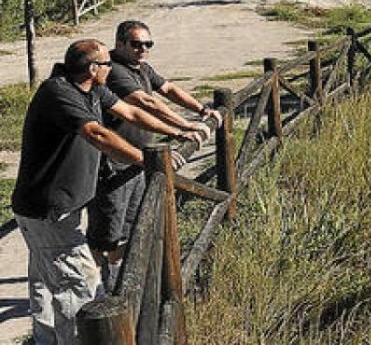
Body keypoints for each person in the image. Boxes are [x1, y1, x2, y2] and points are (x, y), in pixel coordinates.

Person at [11, 39, 203, 345]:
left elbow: (131, 112)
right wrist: (147, 160)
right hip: (48, 210)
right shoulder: (59, 92)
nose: (110, 68)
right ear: (92, 68)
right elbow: (97, 133)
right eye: (106, 64)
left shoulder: (91, 88)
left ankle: (47, 341)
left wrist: (178, 131)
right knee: (80, 289)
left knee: (46, 287)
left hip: (55, 209)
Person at [87, 20, 220, 289]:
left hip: (138, 161)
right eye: (136, 44)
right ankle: (100, 291)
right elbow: (144, 103)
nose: (143, 49)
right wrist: (183, 127)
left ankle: (126, 285)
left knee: (132, 227)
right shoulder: (113, 71)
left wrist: (201, 111)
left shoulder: (142, 68)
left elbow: (168, 89)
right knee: (106, 234)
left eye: (148, 44)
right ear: (120, 44)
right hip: (113, 165)